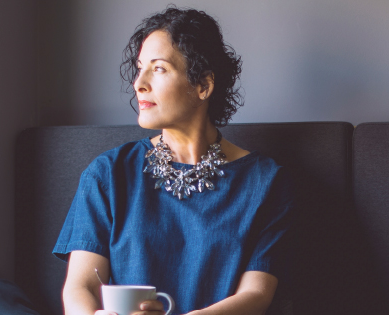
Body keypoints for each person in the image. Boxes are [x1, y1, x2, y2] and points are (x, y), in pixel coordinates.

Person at [53, 6, 294, 315]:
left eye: (159, 68)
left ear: (203, 85)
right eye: (139, 68)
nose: (138, 83)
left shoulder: (265, 181)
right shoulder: (108, 173)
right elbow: (80, 286)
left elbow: (258, 293)